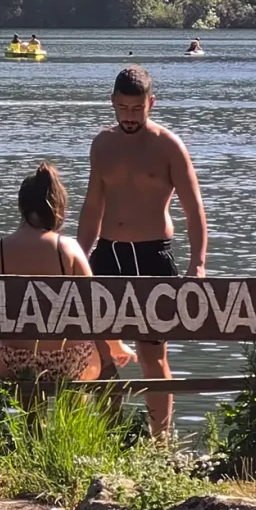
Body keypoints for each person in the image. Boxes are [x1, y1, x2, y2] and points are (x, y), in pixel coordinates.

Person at [77, 65, 208, 436]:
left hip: (152, 255)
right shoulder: (102, 144)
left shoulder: (168, 146)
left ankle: (159, 443)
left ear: (151, 103)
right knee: (100, 351)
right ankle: (108, 434)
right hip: (109, 253)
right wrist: (79, 256)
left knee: (152, 355)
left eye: (137, 109)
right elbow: (92, 206)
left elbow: (194, 209)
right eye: (122, 108)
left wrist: (197, 264)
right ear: (113, 104)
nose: (129, 116)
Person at [0, 162, 136, 383]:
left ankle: (30, 418)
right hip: (70, 361)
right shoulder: (68, 249)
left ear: (22, 207)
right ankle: (74, 415)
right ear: (58, 207)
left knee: (18, 371)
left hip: (16, 362)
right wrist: (117, 345)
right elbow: (95, 308)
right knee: (84, 356)